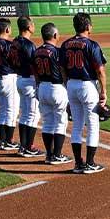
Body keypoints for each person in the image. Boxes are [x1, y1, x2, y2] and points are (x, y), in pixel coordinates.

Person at [60, 13, 109, 174]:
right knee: (93, 124)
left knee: (77, 125)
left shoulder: (66, 44)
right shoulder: (91, 45)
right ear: (88, 27)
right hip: (87, 85)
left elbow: (62, 67)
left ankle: (78, 163)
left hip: (71, 85)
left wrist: (67, 83)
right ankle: (90, 163)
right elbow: (100, 71)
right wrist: (104, 91)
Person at [33, 23, 72, 165]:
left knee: (47, 122)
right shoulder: (58, 51)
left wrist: (38, 87)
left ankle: (49, 155)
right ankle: (57, 155)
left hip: (42, 87)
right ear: (55, 35)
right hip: (57, 88)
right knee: (61, 122)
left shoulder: (36, 51)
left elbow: (35, 72)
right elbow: (64, 70)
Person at [12, 16, 43, 158]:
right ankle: (28, 147)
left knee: (24, 115)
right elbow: (34, 66)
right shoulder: (28, 45)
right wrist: (38, 82)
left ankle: (23, 146)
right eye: (33, 24)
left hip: (19, 79)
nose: (34, 26)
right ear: (29, 27)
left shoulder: (14, 42)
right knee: (32, 115)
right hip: (29, 80)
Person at [0, 18, 20, 150]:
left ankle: (2, 140)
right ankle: (9, 141)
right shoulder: (9, 45)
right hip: (8, 78)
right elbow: (16, 62)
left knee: (2, 110)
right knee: (12, 110)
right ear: (7, 29)